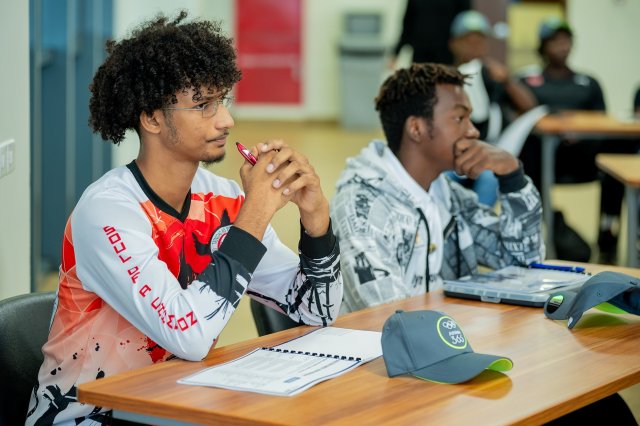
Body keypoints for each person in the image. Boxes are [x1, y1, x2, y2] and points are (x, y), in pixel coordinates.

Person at [26, 12, 343, 425]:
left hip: (173, 407)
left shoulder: (223, 199)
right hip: (87, 417)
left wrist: (315, 217)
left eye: (222, 101)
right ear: (152, 118)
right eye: (203, 105)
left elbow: (317, 310)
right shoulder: (107, 211)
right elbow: (189, 336)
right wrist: (255, 213)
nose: (226, 120)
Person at [330, 63, 544, 314]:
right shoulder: (361, 208)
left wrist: (512, 177)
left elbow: (524, 266)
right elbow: (388, 319)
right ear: (416, 128)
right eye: (459, 118)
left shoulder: (448, 196)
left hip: (445, 332)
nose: (473, 131)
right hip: (388, 340)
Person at [519, 16, 640, 264]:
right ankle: (547, 227)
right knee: (528, 152)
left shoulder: (588, 82)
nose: (562, 46)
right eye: (555, 41)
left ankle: (608, 235)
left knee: (622, 148)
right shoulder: (526, 80)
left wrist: (580, 134)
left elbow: (604, 123)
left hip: (585, 158)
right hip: (543, 158)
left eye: (566, 40)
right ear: (543, 45)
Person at [447, 10, 538, 207]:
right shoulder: (444, 78)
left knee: (490, 178)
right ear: (453, 43)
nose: (474, 46)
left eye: (479, 41)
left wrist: (508, 80)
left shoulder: (494, 76)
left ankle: (479, 222)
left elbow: (529, 107)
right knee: (441, 178)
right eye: (468, 41)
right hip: (451, 154)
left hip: (489, 150)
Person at [390, 0, 471, 68]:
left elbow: (465, 20)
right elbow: (408, 24)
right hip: (420, 51)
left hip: (446, 51)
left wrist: (466, 50)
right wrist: (396, 52)